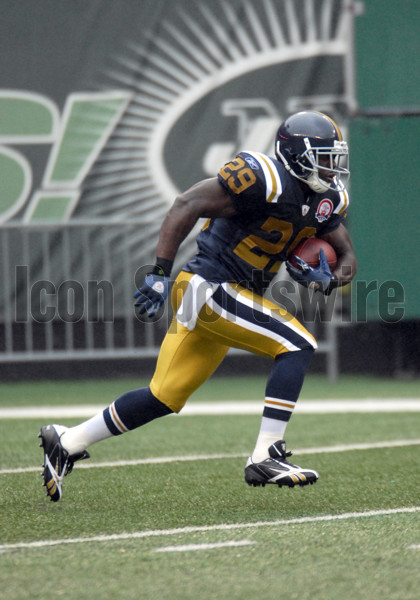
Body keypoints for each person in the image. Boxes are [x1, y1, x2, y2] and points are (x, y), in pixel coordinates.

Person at [39, 110, 357, 502]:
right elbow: (185, 204)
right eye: (323, 157)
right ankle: (266, 454)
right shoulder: (263, 178)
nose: (331, 167)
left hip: (230, 296)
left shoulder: (328, 199)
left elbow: (347, 257)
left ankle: (67, 441)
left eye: (334, 158)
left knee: (163, 396)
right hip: (207, 286)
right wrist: (159, 272)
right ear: (294, 154)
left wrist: (329, 278)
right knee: (297, 343)